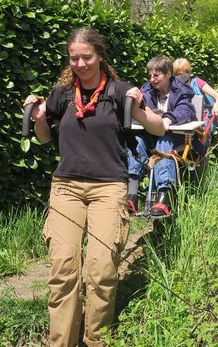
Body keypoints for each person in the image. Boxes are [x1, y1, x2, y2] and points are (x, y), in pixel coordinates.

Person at [23, 28, 164, 347]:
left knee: (100, 271)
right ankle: (62, 342)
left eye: (87, 57)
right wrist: (39, 117)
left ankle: (96, 340)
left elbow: (159, 126)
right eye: (74, 58)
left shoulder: (120, 91)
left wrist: (140, 108)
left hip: (108, 188)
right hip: (66, 188)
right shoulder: (61, 94)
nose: (81, 63)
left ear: (100, 55)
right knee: (64, 270)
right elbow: (45, 138)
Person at [126, 56, 197, 217]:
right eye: (150, 75)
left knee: (164, 142)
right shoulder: (146, 90)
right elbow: (142, 110)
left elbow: (186, 110)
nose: (152, 79)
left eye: (156, 75)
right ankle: (131, 195)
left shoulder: (182, 90)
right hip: (152, 135)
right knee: (136, 141)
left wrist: (168, 118)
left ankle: (164, 196)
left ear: (168, 74)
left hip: (176, 137)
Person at [172, 57, 218, 128]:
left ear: (189, 72)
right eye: (176, 75)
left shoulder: (197, 83)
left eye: (181, 74)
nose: (179, 77)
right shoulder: (174, 87)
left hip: (202, 126)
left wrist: (216, 105)